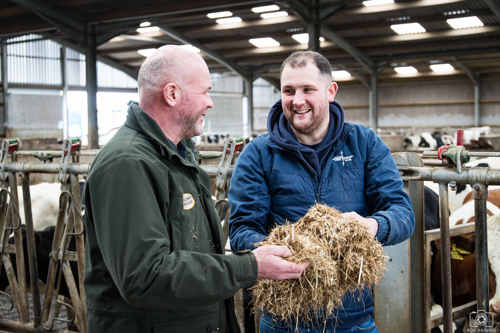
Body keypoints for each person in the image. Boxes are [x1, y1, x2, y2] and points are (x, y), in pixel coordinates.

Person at [82, 45, 308, 333]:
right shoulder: (127, 165)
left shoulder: (177, 157)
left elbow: (193, 253)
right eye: (205, 92)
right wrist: (250, 266)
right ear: (172, 94)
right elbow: (145, 276)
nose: (210, 102)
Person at [228, 50, 415, 333]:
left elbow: (403, 213)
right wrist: (282, 250)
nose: (297, 100)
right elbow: (242, 228)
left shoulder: (363, 144)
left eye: (307, 89)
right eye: (288, 91)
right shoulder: (258, 154)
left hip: (354, 318)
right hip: (284, 319)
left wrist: (372, 226)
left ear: (331, 91)